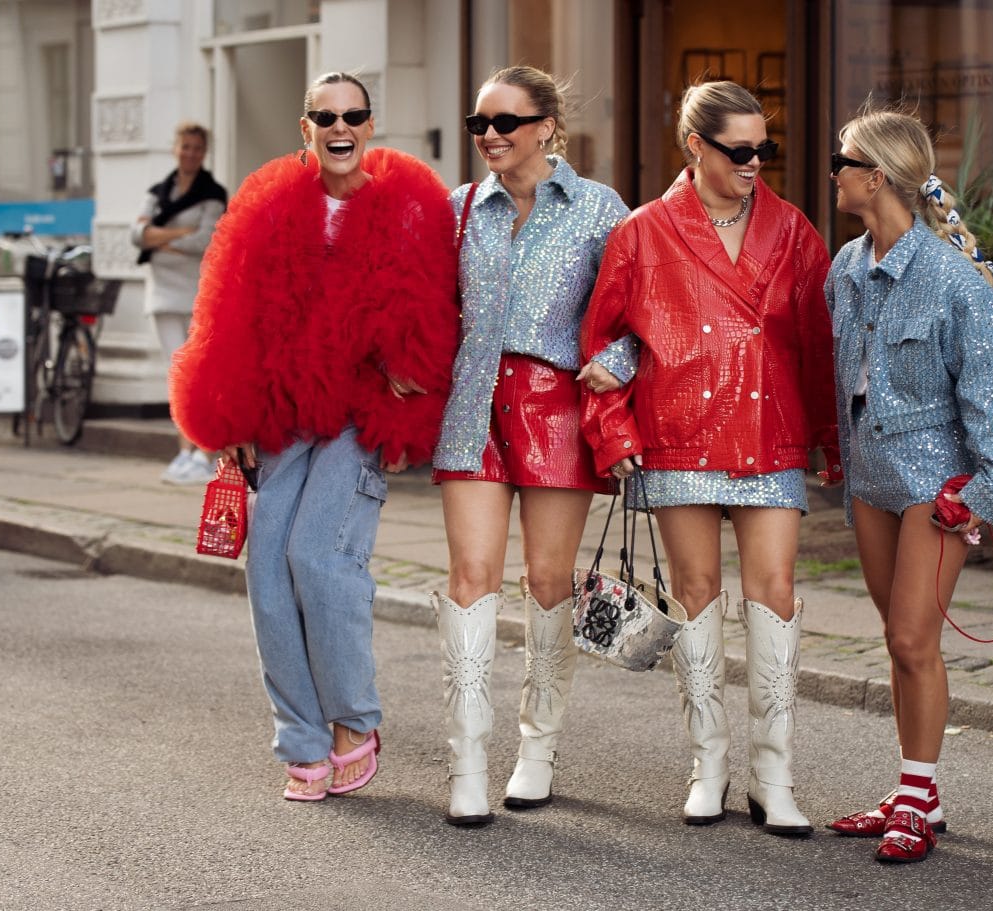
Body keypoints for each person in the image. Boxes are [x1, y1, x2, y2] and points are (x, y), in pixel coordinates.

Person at [169, 71, 458, 802]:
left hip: (358, 416)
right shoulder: (269, 204)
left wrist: (405, 362)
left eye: (353, 115)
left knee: (318, 558)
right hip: (284, 413)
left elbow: (434, 304)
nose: (340, 127)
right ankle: (301, 741)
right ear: (306, 129)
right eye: (325, 117)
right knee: (268, 571)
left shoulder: (408, 206)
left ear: (369, 125)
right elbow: (228, 312)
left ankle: (353, 723)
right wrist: (229, 413)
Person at [579, 80, 838, 836]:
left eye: (765, 149)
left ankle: (774, 776)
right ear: (695, 145)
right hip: (677, 432)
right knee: (695, 591)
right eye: (739, 150)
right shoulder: (642, 232)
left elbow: (820, 341)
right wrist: (613, 433)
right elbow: (601, 342)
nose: (755, 163)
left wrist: (831, 439)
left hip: (770, 431)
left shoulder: (792, 230)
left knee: (775, 591)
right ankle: (708, 765)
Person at [820, 108, 993, 863]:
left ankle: (915, 796)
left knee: (914, 638)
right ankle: (919, 793)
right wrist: (835, 456)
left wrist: (982, 494)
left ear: (875, 176)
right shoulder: (846, 268)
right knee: (899, 639)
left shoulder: (952, 281)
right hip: (871, 477)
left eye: (842, 162)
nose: (834, 173)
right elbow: (845, 378)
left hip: (937, 485)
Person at [431, 65, 634, 826]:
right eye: (478, 123)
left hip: (555, 410)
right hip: (472, 409)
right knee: (470, 577)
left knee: (549, 579)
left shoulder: (599, 209)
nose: (489, 135)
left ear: (546, 126)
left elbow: (640, 309)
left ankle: (537, 749)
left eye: (505, 122)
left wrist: (618, 362)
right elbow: (426, 307)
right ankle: (466, 763)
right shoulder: (457, 209)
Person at [132, 121, 228, 485]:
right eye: (185, 146)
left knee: (200, 376)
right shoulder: (158, 192)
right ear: (175, 148)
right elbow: (135, 235)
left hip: (197, 294)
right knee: (176, 376)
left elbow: (204, 241)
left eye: (197, 148)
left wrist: (157, 238)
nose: (190, 153)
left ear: (204, 153)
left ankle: (205, 453)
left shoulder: (213, 194)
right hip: (162, 295)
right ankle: (184, 453)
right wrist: (177, 234)